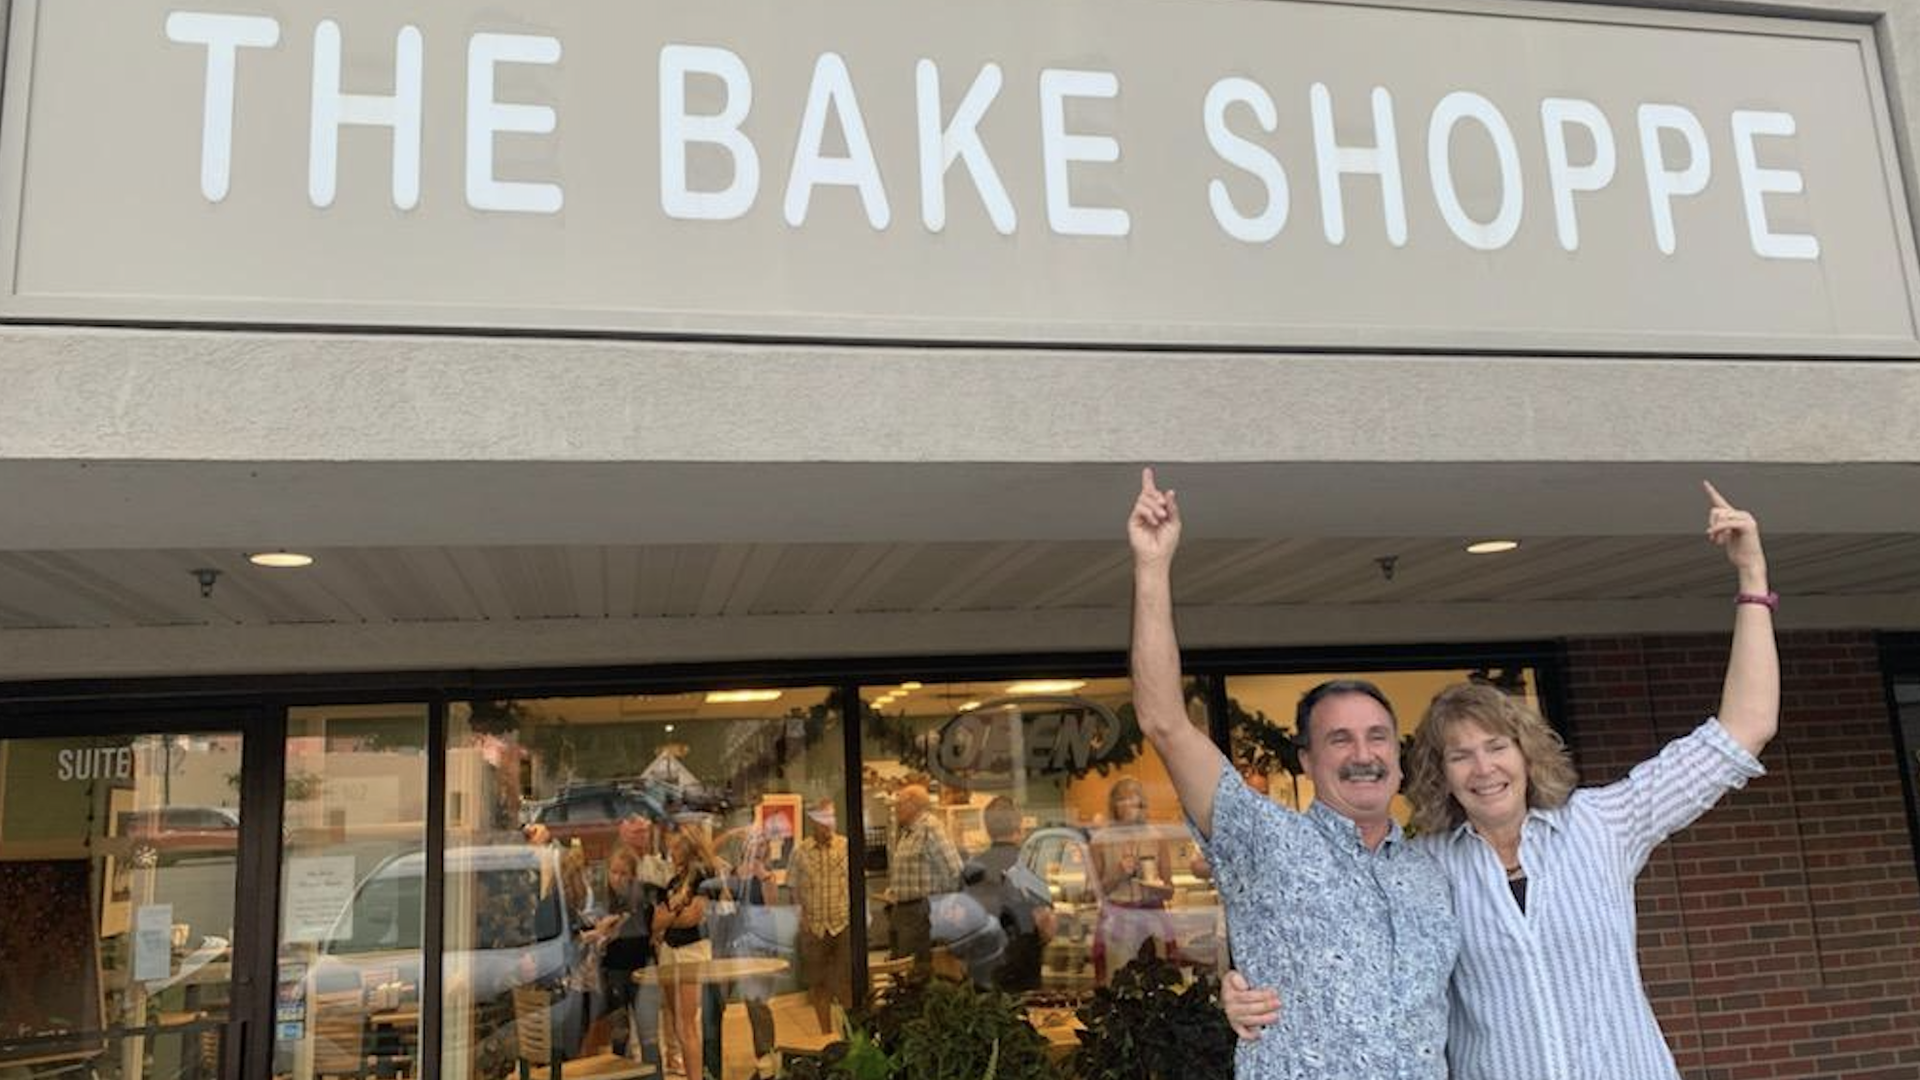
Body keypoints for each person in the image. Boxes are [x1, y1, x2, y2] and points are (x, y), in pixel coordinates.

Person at [1221, 481, 1778, 1080]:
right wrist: (1238, 987)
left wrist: (1752, 578)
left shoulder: (1602, 825)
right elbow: (1319, 938)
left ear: (1526, 752)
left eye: (1496, 747)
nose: (1483, 768)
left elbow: (1744, 729)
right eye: (1460, 756)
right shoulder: (1424, 868)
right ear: (1440, 774)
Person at [1129, 466, 1459, 1079]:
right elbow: (1164, 722)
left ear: (1397, 754)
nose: (1363, 754)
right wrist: (1153, 566)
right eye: (1340, 739)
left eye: (1377, 736)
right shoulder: (1265, 841)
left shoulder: (1435, 870)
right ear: (1306, 760)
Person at [961, 795, 1056, 991]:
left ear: (987, 829)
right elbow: (1046, 925)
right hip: (1021, 967)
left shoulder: (973, 867)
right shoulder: (1030, 865)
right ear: (1018, 826)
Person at [1088, 778, 1177, 981]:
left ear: (1141, 803)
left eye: (1133, 799)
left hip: (1152, 917)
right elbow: (1092, 893)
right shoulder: (1100, 840)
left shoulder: (1156, 837)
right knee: (1118, 980)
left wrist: (1155, 887)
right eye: (1122, 799)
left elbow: (1170, 891)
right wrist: (1118, 874)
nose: (1128, 804)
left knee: (1157, 981)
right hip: (1117, 919)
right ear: (1113, 805)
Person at [591, 846, 662, 1068]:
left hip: (643, 969)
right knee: (619, 1035)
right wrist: (603, 933)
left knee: (649, 1035)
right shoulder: (602, 898)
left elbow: (653, 926)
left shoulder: (644, 896)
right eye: (614, 872)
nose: (617, 878)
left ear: (633, 875)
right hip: (613, 971)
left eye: (623, 873)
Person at [652, 826, 713, 1080]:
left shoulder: (702, 877)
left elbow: (692, 917)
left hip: (692, 950)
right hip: (669, 949)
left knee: (688, 1022)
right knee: (676, 1019)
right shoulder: (673, 882)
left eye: (676, 847)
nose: (672, 852)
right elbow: (656, 922)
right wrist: (674, 913)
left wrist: (671, 915)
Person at [788, 799, 853, 1032]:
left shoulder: (846, 847)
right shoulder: (800, 852)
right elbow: (793, 888)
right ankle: (826, 1033)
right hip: (814, 928)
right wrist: (802, 919)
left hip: (843, 923)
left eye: (831, 817)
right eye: (823, 818)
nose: (828, 823)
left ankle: (851, 1032)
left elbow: (857, 883)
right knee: (818, 984)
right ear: (813, 821)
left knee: (846, 983)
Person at [883, 784, 962, 973]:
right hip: (903, 911)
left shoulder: (930, 828)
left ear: (914, 804)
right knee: (900, 970)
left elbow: (954, 869)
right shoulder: (907, 832)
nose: (896, 808)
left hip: (921, 912)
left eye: (899, 803)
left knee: (917, 972)